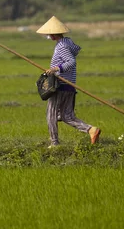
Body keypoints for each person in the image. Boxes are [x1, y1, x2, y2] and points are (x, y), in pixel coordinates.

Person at [36, 16, 101, 147]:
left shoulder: (61, 46)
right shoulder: (67, 42)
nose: (48, 36)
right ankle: (91, 130)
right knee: (67, 116)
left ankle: (54, 143)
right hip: (69, 86)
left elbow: (71, 62)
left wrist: (56, 68)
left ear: (53, 34)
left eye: (49, 34)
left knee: (51, 115)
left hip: (60, 85)